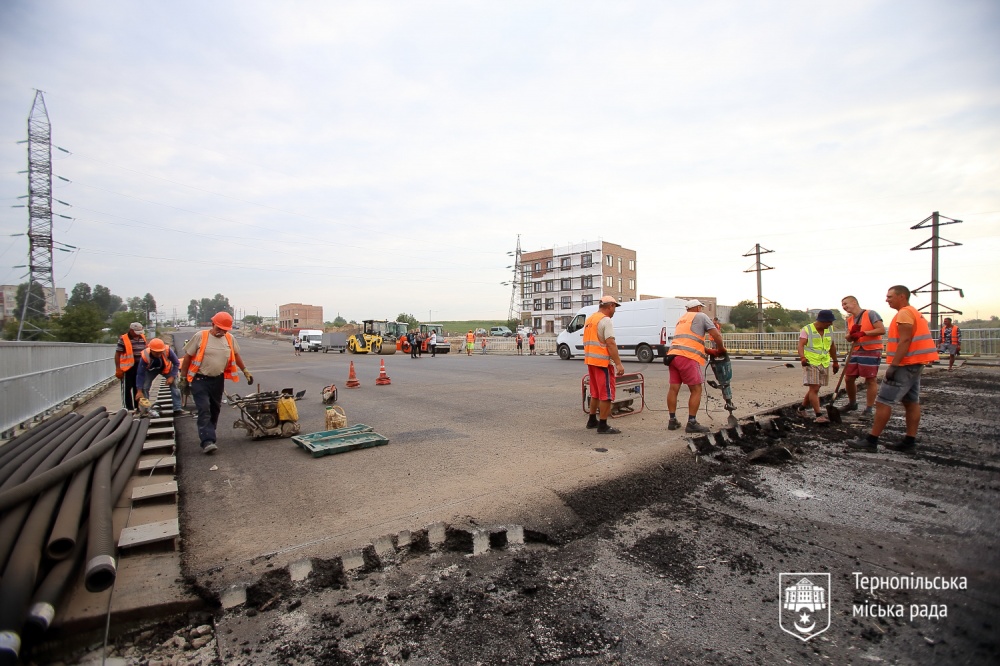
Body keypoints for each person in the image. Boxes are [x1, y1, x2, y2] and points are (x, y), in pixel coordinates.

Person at [848, 285, 939, 452]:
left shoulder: (904, 313)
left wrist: (894, 365)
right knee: (911, 402)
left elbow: (905, 341)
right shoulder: (913, 312)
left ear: (902, 296)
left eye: (890, 297)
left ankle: (871, 440)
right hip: (916, 363)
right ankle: (909, 442)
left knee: (883, 402)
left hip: (905, 364)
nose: (887, 300)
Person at [179, 312, 253, 454]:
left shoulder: (229, 338)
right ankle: (207, 441)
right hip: (199, 379)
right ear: (213, 324)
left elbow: (236, 355)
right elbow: (187, 357)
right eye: (219, 329)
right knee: (204, 408)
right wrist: (183, 378)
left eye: (224, 330)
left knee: (215, 409)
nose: (221, 332)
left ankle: (209, 432)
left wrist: (245, 371)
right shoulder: (201, 336)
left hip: (217, 380)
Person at [666, 300, 726, 433]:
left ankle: (672, 420)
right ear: (698, 307)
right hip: (687, 357)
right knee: (696, 389)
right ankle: (692, 422)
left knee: (673, 389)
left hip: (673, 356)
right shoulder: (701, 316)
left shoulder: (681, 320)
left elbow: (690, 341)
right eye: (701, 308)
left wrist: (708, 351)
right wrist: (721, 349)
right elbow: (716, 334)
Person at [585, 295, 626, 435]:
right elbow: (610, 343)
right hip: (602, 362)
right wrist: (619, 364)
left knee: (595, 393)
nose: (614, 311)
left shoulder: (591, 319)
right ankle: (603, 425)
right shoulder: (606, 320)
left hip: (591, 361)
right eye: (615, 307)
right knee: (606, 395)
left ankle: (592, 420)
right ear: (610, 306)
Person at [795, 310, 840, 424]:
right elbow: (800, 345)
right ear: (821, 321)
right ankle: (818, 415)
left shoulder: (829, 330)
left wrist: (835, 361)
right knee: (814, 388)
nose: (830, 324)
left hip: (824, 362)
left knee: (815, 388)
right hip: (810, 362)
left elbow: (832, 346)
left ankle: (801, 409)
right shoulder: (807, 329)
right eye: (829, 322)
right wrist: (802, 358)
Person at [135, 338, 186, 417]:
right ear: (151, 350)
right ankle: (146, 410)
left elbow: (176, 363)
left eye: (160, 352)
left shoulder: (167, 350)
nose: (159, 354)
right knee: (145, 387)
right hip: (151, 370)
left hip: (166, 369)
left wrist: (172, 376)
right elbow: (140, 374)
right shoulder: (145, 356)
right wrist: (139, 390)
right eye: (156, 353)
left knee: (175, 385)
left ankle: (177, 408)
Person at [114, 322, 147, 411]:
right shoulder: (123, 339)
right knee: (127, 389)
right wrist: (118, 368)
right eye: (137, 332)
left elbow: (146, 351)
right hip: (127, 368)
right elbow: (117, 354)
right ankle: (128, 409)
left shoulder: (142, 337)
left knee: (138, 388)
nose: (139, 334)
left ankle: (137, 408)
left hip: (139, 367)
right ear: (131, 330)